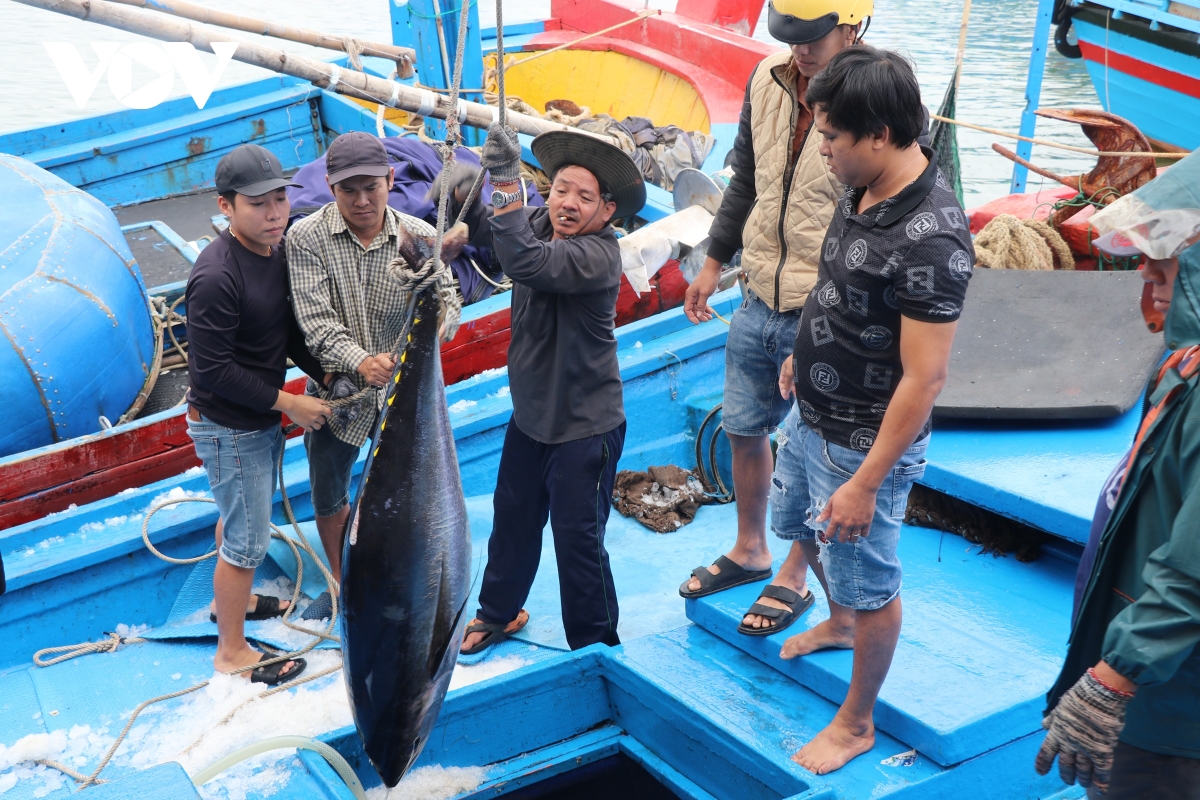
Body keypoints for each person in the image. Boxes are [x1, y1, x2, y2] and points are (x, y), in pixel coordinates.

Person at [771, 46, 973, 774]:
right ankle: (842, 620)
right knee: (797, 526)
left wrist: (864, 483)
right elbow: (840, 289)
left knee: (870, 574)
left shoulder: (934, 240)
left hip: (862, 445)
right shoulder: (863, 187)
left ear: (880, 135)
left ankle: (856, 722)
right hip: (811, 413)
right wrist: (804, 349)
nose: (821, 149)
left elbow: (924, 378)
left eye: (831, 138)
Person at [679, 0, 873, 636]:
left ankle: (795, 570)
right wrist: (713, 262)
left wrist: (825, 324)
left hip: (828, 307)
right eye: (790, 38)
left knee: (814, 450)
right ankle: (750, 547)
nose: (801, 51)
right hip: (758, 291)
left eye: (813, 38)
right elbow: (745, 180)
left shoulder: (877, 99)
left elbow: (881, 219)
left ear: (853, 26)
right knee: (743, 424)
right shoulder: (766, 80)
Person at [445, 123, 645, 654]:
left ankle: (596, 647)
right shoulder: (538, 222)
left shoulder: (597, 256)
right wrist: (465, 228)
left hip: (585, 428)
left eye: (586, 197)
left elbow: (524, 262)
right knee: (512, 521)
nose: (568, 204)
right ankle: (497, 613)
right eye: (561, 190)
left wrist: (507, 180)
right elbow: (496, 229)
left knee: (577, 544)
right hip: (531, 418)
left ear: (608, 213)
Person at [1036, 158, 1200, 798]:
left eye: (1164, 255)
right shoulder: (1181, 366)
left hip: (1174, 710)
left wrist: (1112, 680)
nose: (1147, 272)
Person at [186, 143, 332, 684]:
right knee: (247, 541)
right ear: (225, 207)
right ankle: (231, 652)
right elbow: (212, 374)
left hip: (257, 417)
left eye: (279, 200)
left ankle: (239, 603)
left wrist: (325, 368)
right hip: (229, 426)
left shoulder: (276, 251)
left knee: (241, 517)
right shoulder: (216, 277)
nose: (274, 214)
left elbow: (284, 332)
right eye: (257, 205)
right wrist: (289, 401)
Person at [287, 131, 439, 619]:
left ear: (391, 180)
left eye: (371, 187)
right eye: (348, 189)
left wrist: (441, 312)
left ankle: (408, 572)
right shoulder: (304, 238)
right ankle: (340, 581)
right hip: (338, 399)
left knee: (416, 488)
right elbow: (314, 324)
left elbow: (448, 303)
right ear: (331, 188)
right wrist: (360, 362)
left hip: (406, 398)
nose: (361, 200)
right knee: (329, 492)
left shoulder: (422, 236)